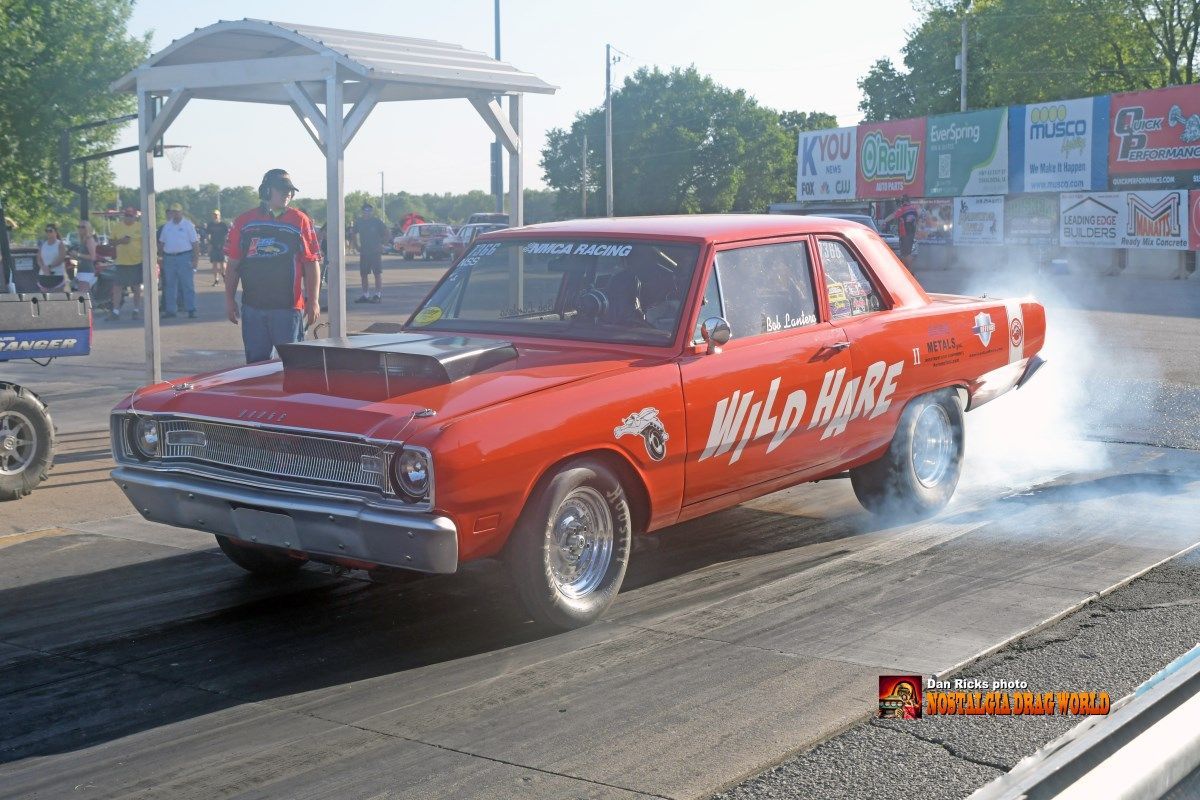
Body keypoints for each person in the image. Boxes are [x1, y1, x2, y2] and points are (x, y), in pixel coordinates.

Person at [225, 168, 321, 363]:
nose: (288, 193)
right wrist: (229, 299)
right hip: (253, 308)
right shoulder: (244, 222)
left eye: (290, 190)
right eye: (282, 189)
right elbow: (233, 264)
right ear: (266, 191)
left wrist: (313, 301)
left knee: (293, 365)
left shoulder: (300, 220)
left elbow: (311, 263)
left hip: (288, 308)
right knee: (256, 366)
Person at [158, 203, 200, 318]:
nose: (175, 214)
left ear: (181, 212)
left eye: (177, 211)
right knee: (170, 285)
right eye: (173, 211)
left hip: (184, 257)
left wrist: (195, 259)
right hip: (169, 258)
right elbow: (161, 243)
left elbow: (195, 243)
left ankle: (191, 309)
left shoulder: (188, 225)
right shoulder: (167, 226)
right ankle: (171, 310)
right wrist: (160, 257)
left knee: (187, 284)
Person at [109, 207, 144, 321]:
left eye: (131, 216)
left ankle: (136, 310)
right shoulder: (117, 226)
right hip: (121, 262)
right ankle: (115, 311)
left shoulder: (140, 227)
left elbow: (146, 243)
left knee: (136, 287)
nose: (128, 218)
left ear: (135, 216)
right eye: (127, 215)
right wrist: (120, 241)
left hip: (136, 261)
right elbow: (110, 242)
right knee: (117, 287)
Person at [352, 203, 389, 303]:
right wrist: (356, 246)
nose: (367, 212)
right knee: (364, 274)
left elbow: (387, 232)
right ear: (362, 211)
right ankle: (365, 295)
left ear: (372, 212)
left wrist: (382, 245)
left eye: (369, 210)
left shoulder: (376, 221)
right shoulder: (359, 222)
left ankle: (377, 295)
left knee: (377, 273)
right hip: (364, 251)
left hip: (375, 251)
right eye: (365, 210)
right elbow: (353, 233)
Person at [882, 195, 919, 263]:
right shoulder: (914, 209)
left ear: (903, 202)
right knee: (908, 252)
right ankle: (908, 266)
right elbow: (917, 220)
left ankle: (907, 268)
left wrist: (884, 221)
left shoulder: (902, 209)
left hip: (905, 234)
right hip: (911, 233)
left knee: (905, 254)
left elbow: (893, 215)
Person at [35, 223, 68, 291]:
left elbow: (61, 258)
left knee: (56, 296)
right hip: (44, 275)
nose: (48, 233)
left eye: (50, 231)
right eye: (46, 231)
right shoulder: (43, 244)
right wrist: (43, 268)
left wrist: (49, 267)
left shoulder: (60, 244)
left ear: (55, 232)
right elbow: (39, 259)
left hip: (57, 275)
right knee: (44, 296)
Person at [71, 220, 100, 293]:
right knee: (82, 296)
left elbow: (93, 257)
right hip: (81, 271)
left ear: (88, 228)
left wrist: (78, 254)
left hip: (87, 272)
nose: (80, 228)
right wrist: (74, 256)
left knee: (82, 296)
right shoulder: (82, 240)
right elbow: (82, 257)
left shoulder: (89, 239)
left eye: (83, 227)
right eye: (79, 227)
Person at [205, 209, 230, 286]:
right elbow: (208, 234)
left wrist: (225, 244)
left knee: (223, 264)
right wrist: (209, 243)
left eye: (217, 215)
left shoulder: (223, 225)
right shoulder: (210, 225)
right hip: (214, 246)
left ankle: (224, 274)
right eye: (214, 215)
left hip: (222, 246)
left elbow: (226, 235)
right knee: (214, 263)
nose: (215, 216)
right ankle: (216, 280)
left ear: (219, 215)